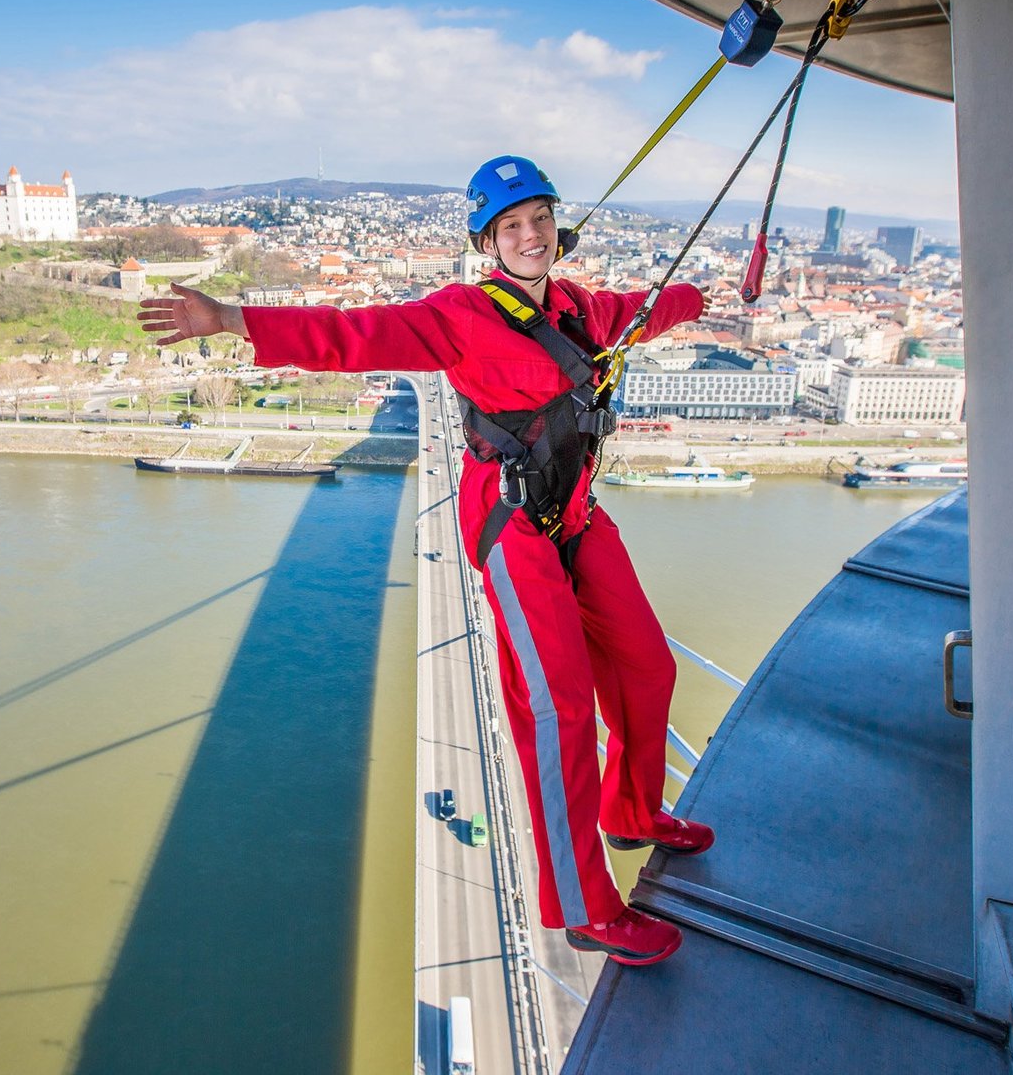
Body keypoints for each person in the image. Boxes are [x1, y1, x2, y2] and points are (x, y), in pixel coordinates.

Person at [138, 155, 714, 966]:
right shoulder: (458, 315)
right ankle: (583, 907)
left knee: (649, 668)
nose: (530, 235)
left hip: (578, 516)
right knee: (559, 710)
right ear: (488, 242)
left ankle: (632, 811)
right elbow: (351, 335)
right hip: (514, 529)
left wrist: (701, 298)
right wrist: (230, 318)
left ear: (558, 227)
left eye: (540, 220)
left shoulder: (583, 307)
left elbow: (643, 312)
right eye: (512, 226)